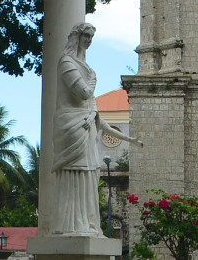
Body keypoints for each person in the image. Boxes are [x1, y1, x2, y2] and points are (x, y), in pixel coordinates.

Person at [50, 23, 141, 236]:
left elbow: (100, 120)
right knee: (74, 173)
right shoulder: (67, 63)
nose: (88, 41)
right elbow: (83, 93)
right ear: (77, 37)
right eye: (86, 36)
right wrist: (93, 80)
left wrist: (130, 140)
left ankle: (87, 224)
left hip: (86, 126)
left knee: (91, 174)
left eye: (91, 37)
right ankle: (69, 225)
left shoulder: (86, 67)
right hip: (72, 125)